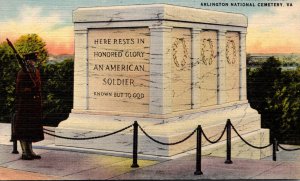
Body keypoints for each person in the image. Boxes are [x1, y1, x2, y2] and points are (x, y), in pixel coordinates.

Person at [13, 52, 44, 160]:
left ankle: (30, 151)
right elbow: (18, 90)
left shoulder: (36, 71)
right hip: (25, 105)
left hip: (34, 105)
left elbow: (39, 87)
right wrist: (30, 90)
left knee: (31, 129)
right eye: (32, 60)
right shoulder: (22, 72)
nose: (33, 62)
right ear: (27, 61)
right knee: (23, 129)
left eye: (34, 60)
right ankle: (25, 152)